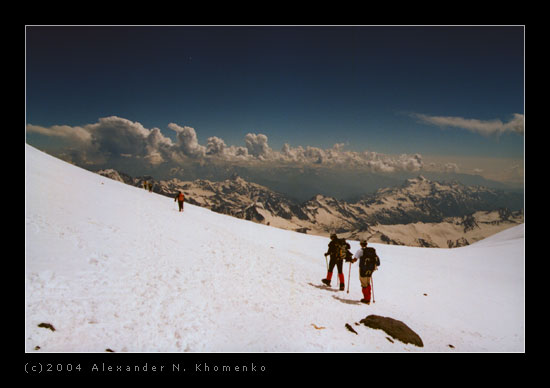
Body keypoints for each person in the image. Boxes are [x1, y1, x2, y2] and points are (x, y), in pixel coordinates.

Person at [351, 240, 380, 304]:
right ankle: (368, 298)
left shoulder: (360, 251)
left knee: (364, 284)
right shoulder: (371, 251)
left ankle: (366, 299)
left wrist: (351, 260)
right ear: (366, 244)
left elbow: (355, 259)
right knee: (368, 283)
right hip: (371, 269)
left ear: (361, 244)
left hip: (363, 269)